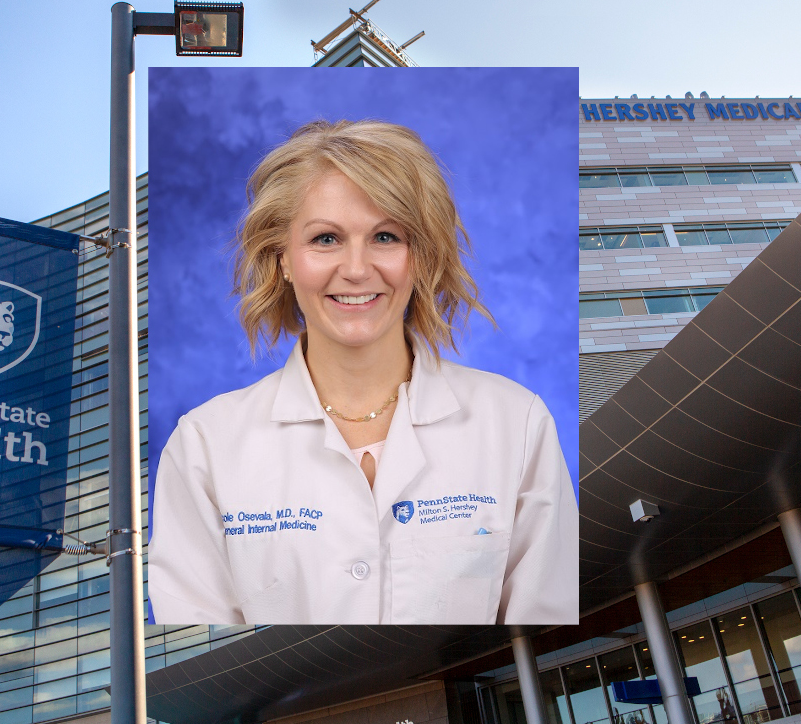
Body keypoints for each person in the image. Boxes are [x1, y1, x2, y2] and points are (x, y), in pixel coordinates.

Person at [147, 119, 577, 625]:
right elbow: (207, 661)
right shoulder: (205, 446)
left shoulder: (515, 423)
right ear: (282, 259)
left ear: (421, 257)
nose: (355, 268)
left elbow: (546, 636)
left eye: (386, 236)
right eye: (326, 238)